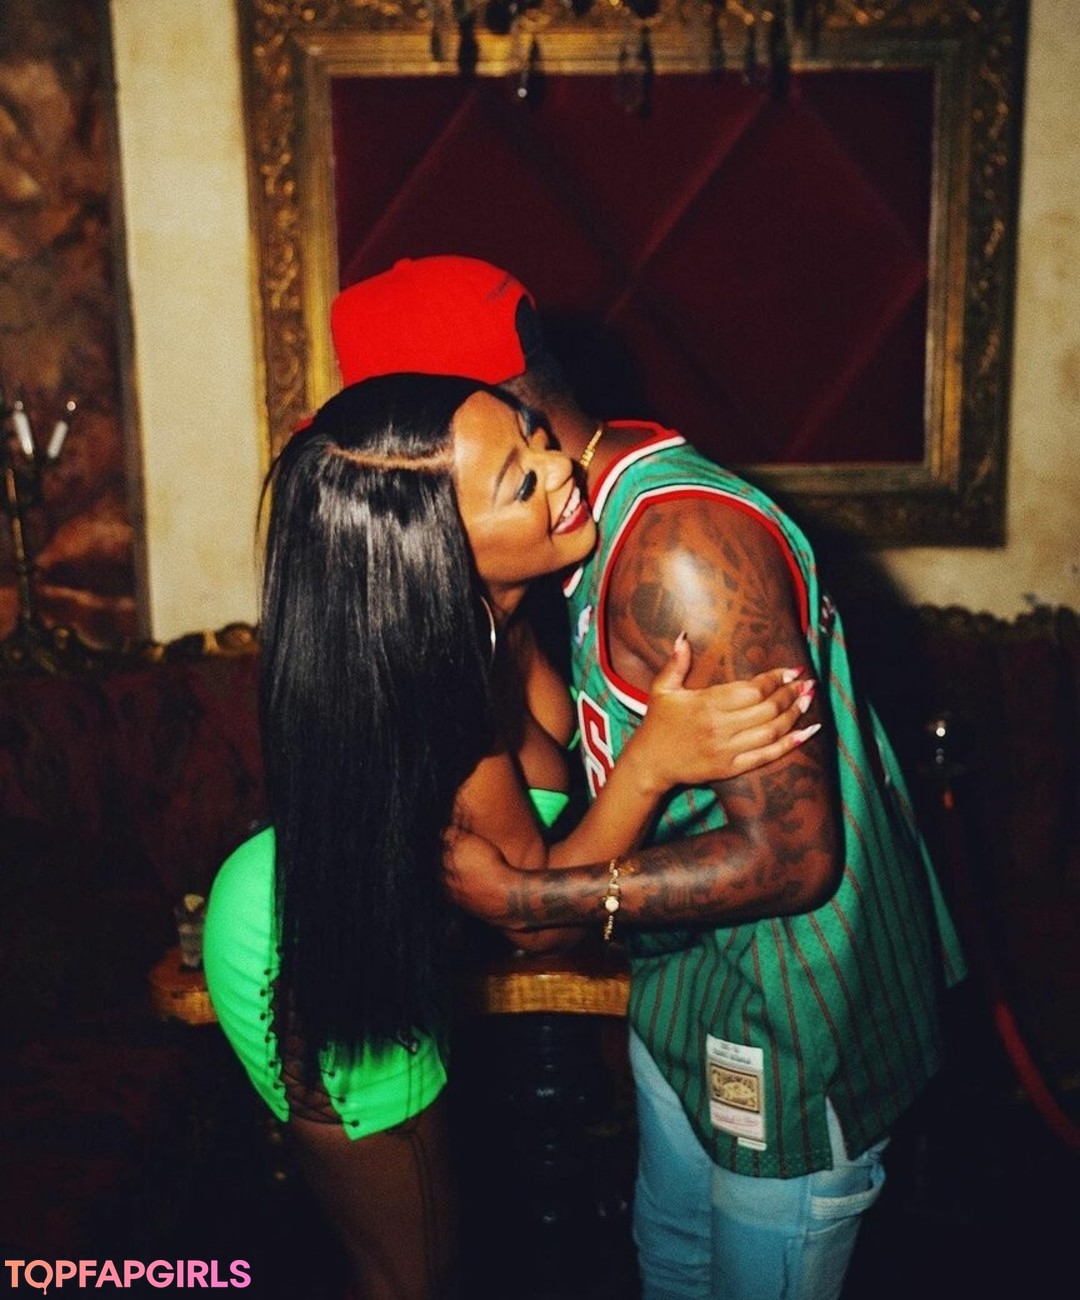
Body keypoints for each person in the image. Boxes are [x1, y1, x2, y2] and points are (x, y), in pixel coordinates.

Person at [328, 255, 966, 1300]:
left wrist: (533, 898)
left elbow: (795, 859)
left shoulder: (676, 546)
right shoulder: (558, 536)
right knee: (668, 1269)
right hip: (681, 989)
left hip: (791, 1010)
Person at [202, 372, 813, 1300]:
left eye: (534, 437)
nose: (561, 466)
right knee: (412, 1276)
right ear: (436, 551)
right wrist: (655, 761)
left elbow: (544, 813)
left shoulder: (499, 615)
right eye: (521, 482)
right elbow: (542, 920)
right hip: (307, 943)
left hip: (373, 923)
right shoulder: (435, 681)